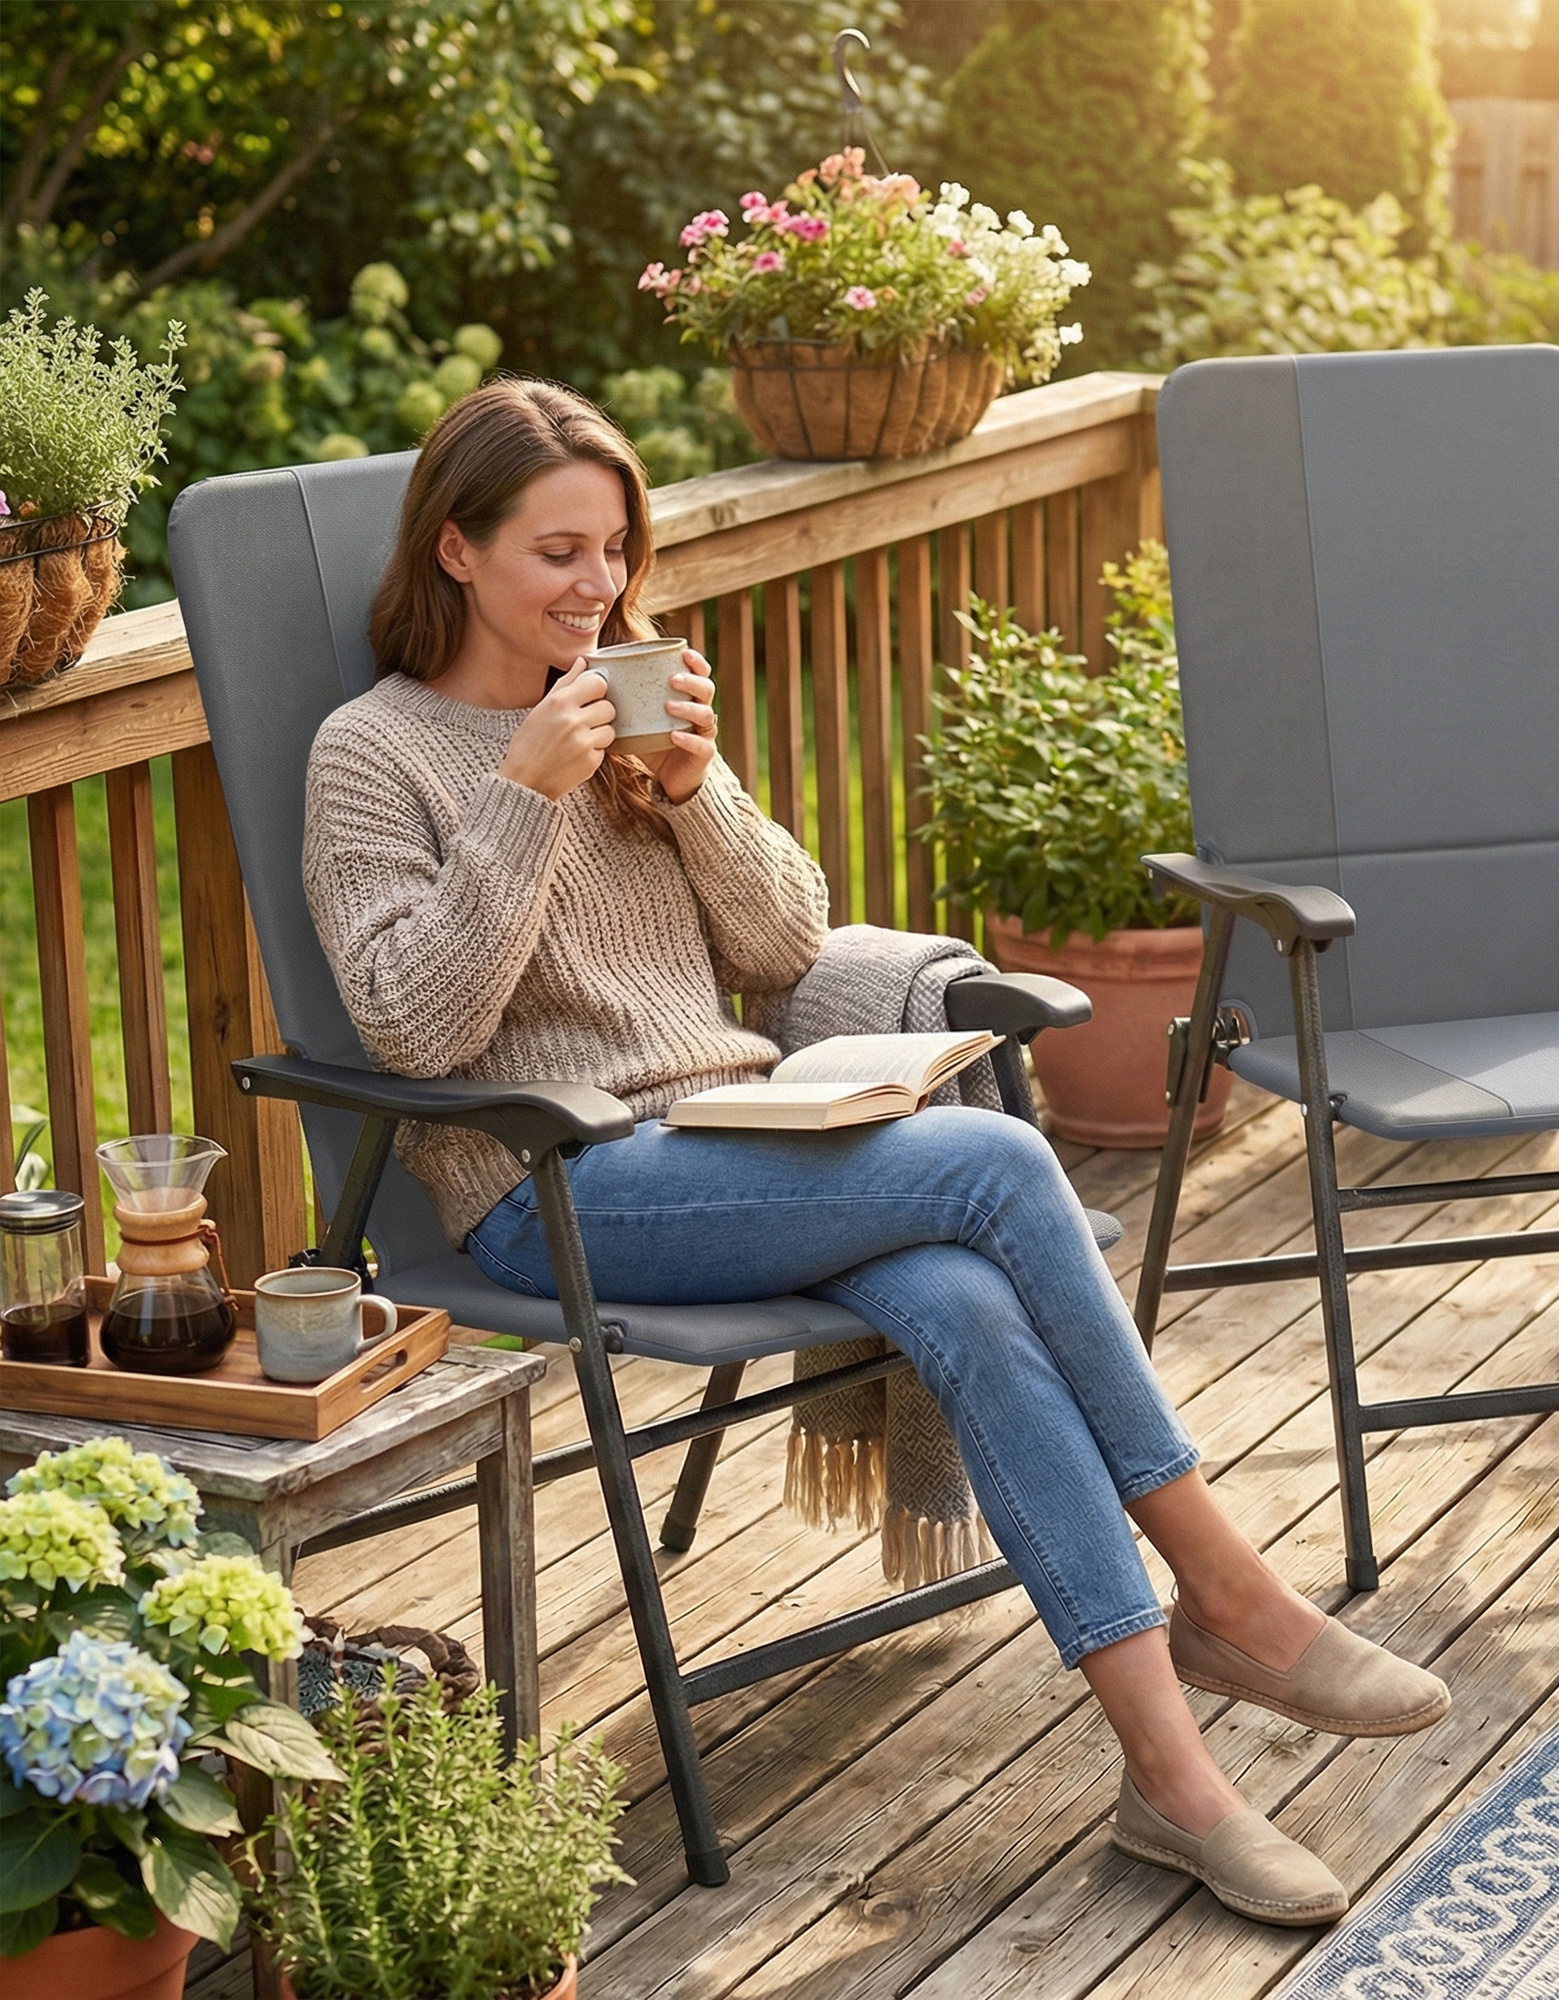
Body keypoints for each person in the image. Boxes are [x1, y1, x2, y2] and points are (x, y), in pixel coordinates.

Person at [303, 378, 1448, 1927]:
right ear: (455, 549)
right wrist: (524, 797)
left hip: (722, 1135)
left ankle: (1174, 1783)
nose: (596, 586)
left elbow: (786, 944)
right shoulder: (370, 753)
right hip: (549, 1188)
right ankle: (1231, 1592)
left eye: (616, 553)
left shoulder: (630, 711)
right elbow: (415, 1030)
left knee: (968, 1298)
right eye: (556, 552)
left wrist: (697, 793)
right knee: (995, 1167)